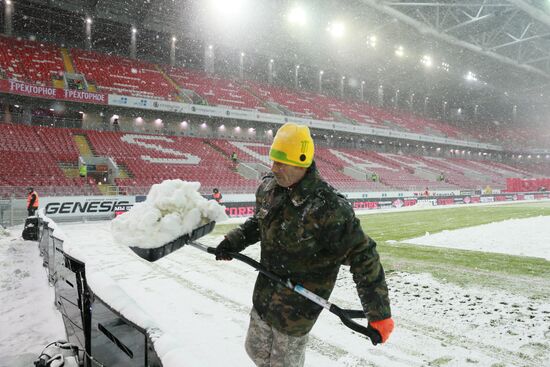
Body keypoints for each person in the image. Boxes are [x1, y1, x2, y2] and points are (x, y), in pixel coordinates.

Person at [215, 123, 393, 366]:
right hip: (264, 299)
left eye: (281, 163)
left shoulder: (329, 208)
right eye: (273, 161)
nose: (273, 168)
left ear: (302, 161)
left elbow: (364, 257)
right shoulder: (269, 188)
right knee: (254, 351)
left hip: (296, 312)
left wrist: (379, 313)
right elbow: (259, 223)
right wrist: (233, 241)